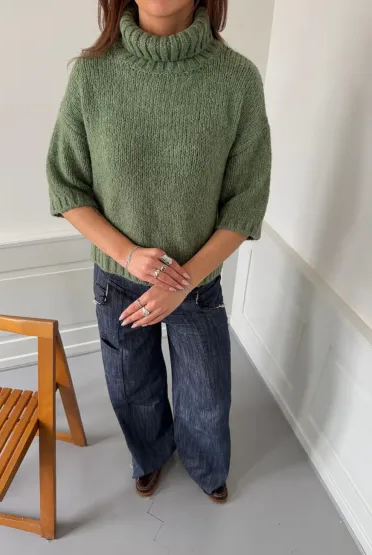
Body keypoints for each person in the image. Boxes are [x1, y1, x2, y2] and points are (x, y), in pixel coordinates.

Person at [47, 0, 271, 504]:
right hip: (116, 279)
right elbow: (66, 186)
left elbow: (246, 201)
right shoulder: (91, 76)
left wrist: (182, 281)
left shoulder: (236, 80)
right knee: (132, 388)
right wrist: (128, 255)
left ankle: (207, 466)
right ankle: (148, 455)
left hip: (197, 281)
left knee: (206, 393)